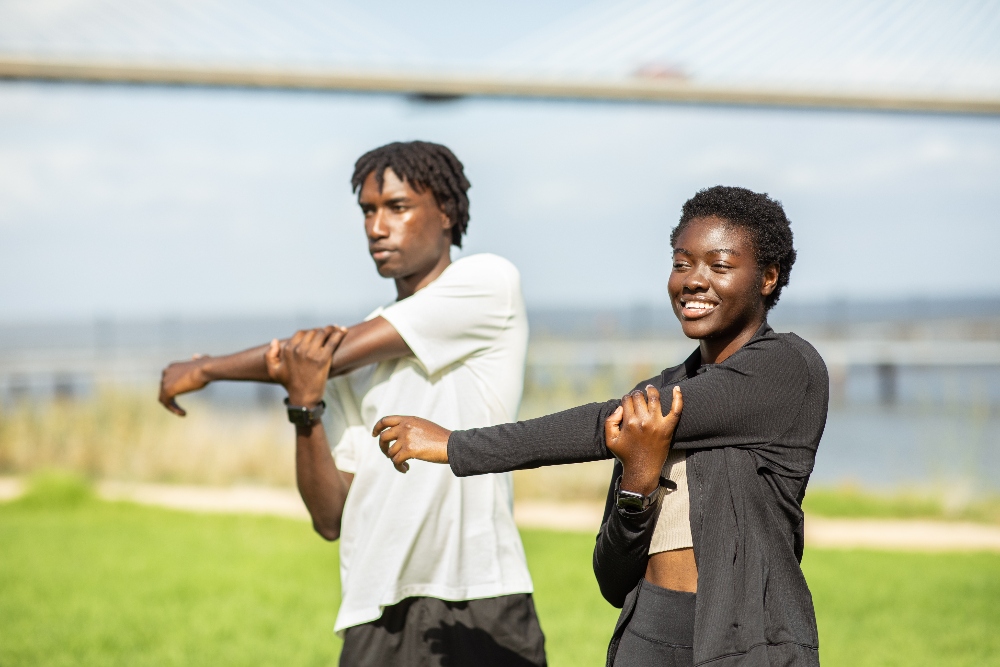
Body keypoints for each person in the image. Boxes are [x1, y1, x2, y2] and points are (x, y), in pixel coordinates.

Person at [373, 186, 829, 667]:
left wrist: (456, 445)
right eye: (681, 264)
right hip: (645, 639)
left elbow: (601, 423)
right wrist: (639, 481)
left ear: (768, 277)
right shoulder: (653, 397)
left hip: (747, 643)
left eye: (719, 265)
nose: (694, 281)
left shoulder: (786, 368)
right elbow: (612, 582)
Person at [158, 141, 546, 666]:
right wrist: (304, 407)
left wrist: (205, 369)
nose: (376, 227)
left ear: (447, 212)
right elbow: (329, 518)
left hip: (484, 593)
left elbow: (325, 355)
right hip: (375, 606)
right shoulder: (342, 360)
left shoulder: (487, 283)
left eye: (397, 207)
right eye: (367, 211)